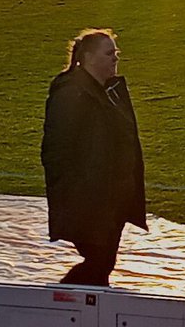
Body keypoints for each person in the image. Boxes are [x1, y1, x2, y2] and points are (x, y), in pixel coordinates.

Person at [41, 28, 147, 286]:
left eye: (116, 52)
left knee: (103, 264)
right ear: (88, 58)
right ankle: (56, 306)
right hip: (90, 200)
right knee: (98, 262)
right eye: (109, 53)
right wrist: (77, 190)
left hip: (112, 198)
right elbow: (56, 150)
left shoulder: (108, 92)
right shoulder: (72, 94)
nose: (115, 58)